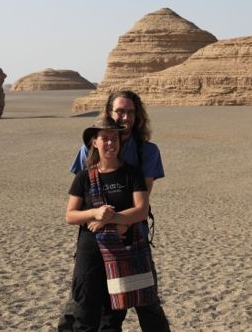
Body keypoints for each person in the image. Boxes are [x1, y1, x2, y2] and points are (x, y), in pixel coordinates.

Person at [59, 90, 170, 332]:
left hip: (133, 237)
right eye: (120, 111)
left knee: (147, 302)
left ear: (138, 116)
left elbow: (143, 201)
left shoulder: (146, 151)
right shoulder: (87, 149)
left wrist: (120, 222)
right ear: (109, 113)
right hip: (96, 239)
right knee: (84, 306)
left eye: (130, 112)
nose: (125, 117)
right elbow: (85, 190)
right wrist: (99, 220)